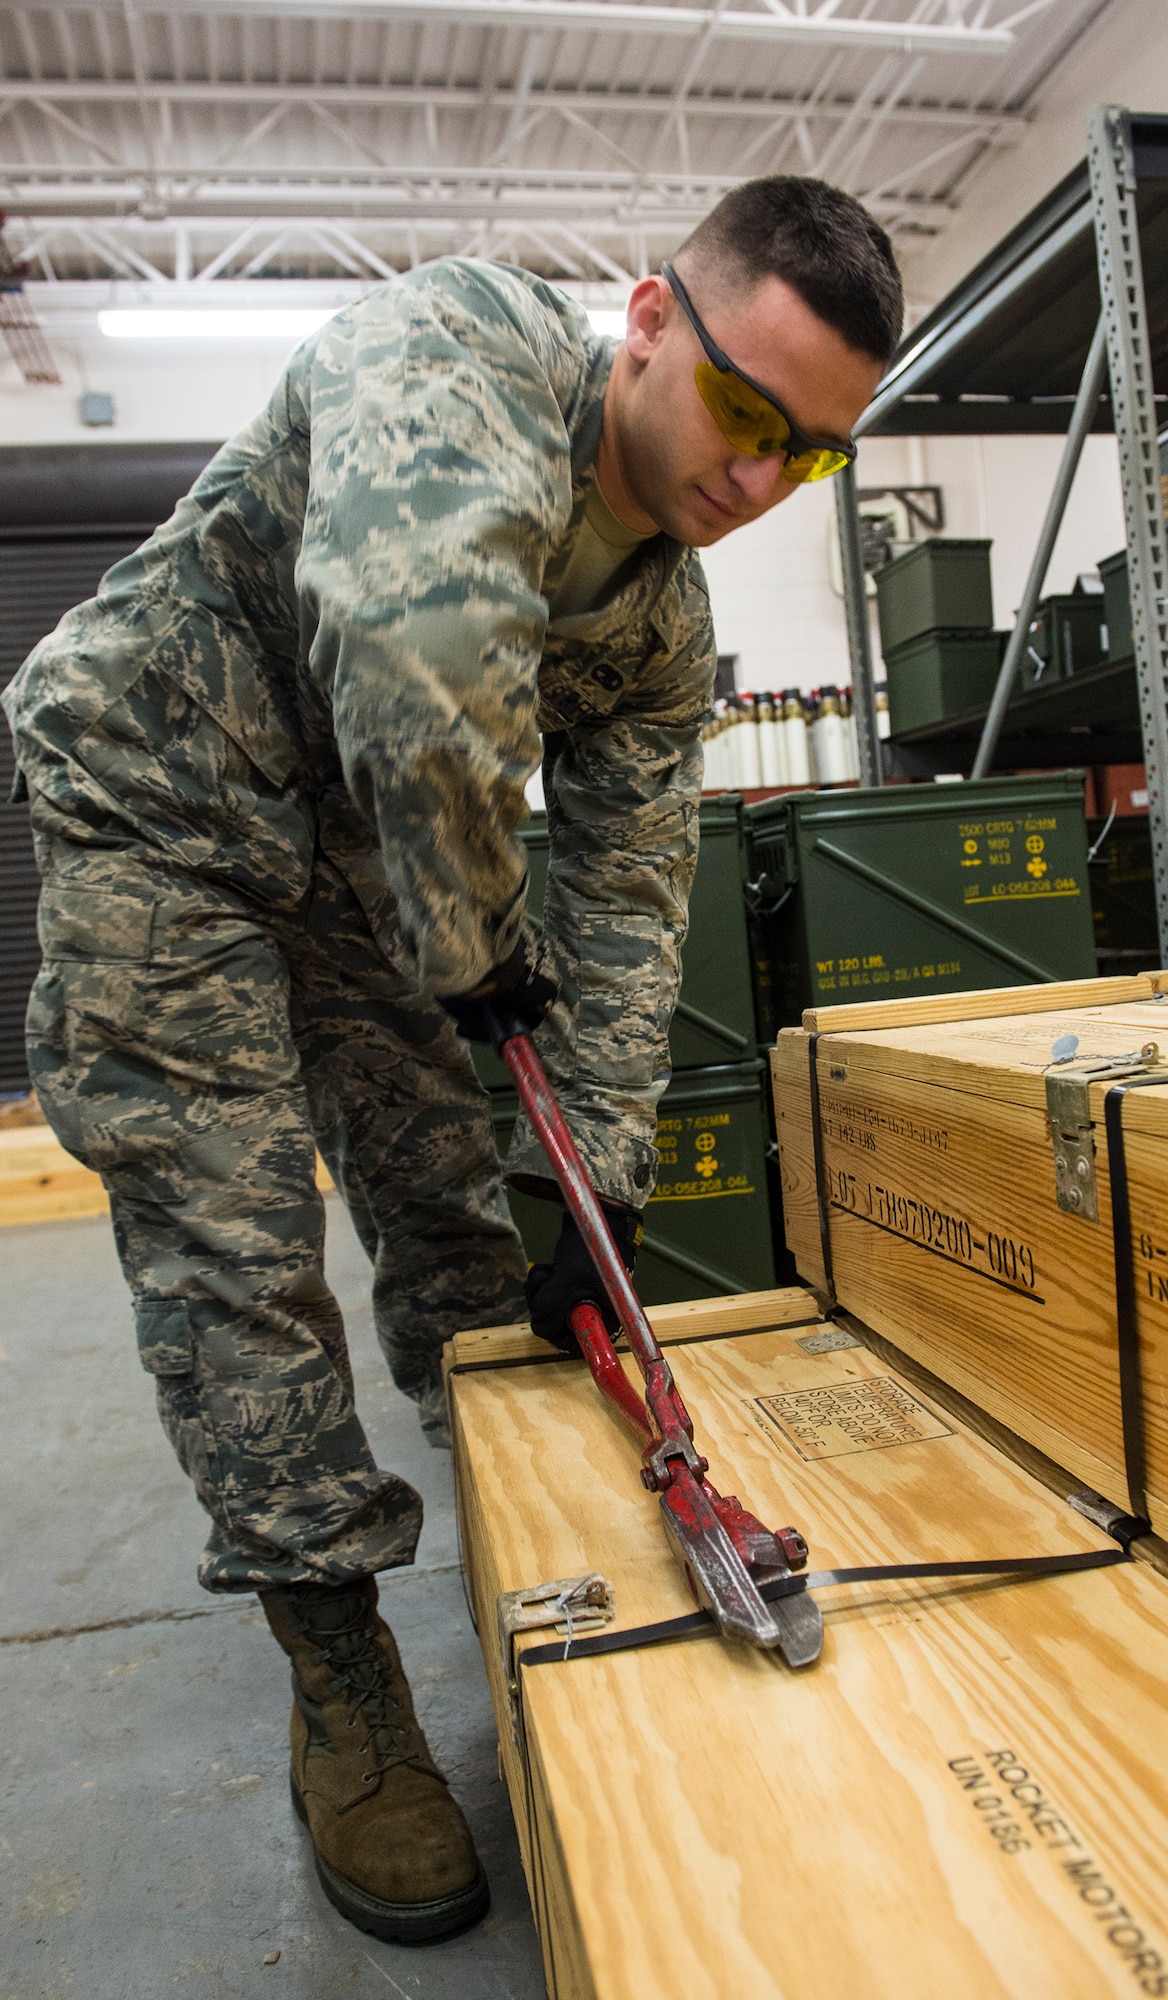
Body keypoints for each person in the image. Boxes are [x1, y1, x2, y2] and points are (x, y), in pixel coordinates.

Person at [3, 174, 902, 1944]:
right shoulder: (462, 343)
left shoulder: (661, 629)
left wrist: (612, 1170)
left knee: (462, 1241)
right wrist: (478, 939)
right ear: (649, 319)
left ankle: (535, 1551)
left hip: (363, 869)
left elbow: (641, 893)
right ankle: (344, 1688)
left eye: (805, 459)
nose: (751, 481)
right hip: (161, 801)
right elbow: (420, 656)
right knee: (240, 1262)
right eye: (742, 413)